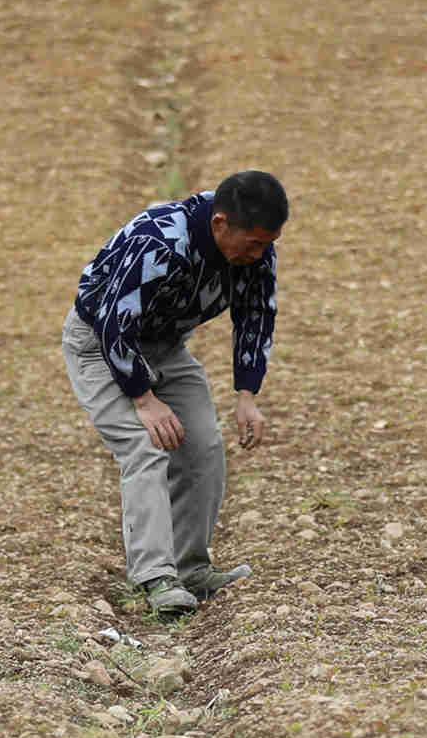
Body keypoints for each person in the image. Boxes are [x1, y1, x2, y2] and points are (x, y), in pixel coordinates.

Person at [63, 169, 285, 617]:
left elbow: (256, 315)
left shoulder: (255, 253)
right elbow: (114, 325)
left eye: (268, 243)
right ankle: (156, 576)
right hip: (101, 345)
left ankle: (192, 569)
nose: (261, 254)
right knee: (145, 446)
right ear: (220, 223)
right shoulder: (159, 241)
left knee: (203, 446)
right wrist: (144, 400)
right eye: (254, 243)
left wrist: (247, 394)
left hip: (165, 345)